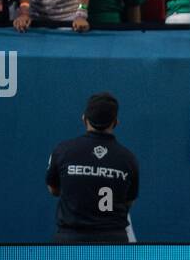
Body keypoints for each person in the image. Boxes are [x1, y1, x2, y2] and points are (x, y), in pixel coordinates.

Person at [46, 93, 140, 244]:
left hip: (71, 240)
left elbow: (53, 189)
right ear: (116, 122)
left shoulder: (63, 151)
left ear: (84, 118)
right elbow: (128, 201)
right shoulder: (128, 159)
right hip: (112, 241)